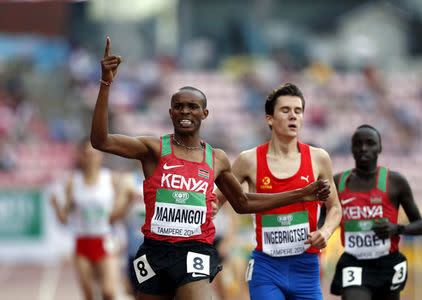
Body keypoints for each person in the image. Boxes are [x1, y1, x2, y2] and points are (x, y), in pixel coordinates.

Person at [90, 37, 331, 300]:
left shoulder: (216, 158)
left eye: (192, 106)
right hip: (154, 253)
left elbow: (242, 202)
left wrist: (299, 194)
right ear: (170, 112)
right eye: (179, 106)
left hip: (195, 251)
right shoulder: (154, 149)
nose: (185, 111)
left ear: (204, 114)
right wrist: (106, 83)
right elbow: (101, 140)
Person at [215, 83, 342, 300]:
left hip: (307, 268)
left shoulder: (318, 158)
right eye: (285, 110)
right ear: (269, 118)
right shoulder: (249, 160)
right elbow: (216, 202)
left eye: (298, 111)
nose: (293, 116)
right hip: (266, 267)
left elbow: (335, 208)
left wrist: (325, 232)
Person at [329, 124, 422, 300]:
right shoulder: (338, 182)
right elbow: (322, 217)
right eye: (358, 143)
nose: (363, 148)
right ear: (351, 148)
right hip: (354, 262)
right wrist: (322, 230)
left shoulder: (395, 182)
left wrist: (396, 229)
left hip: (387, 263)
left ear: (379, 147)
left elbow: (420, 226)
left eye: (370, 143)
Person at [50, 138, 121, 300]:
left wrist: (124, 204)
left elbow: (118, 214)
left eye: (94, 154)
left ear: (101, 156)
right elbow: (64, 219)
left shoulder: (111, 179)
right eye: (87, 154)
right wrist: (55, 206)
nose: (91, 158)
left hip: (107, 239)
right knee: (89, 295)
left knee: (108, 292)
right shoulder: (72, 182)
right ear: (80, 156)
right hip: (83, 242)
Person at [109, 168, 146, 300]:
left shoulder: (170, 177)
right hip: (138, 251)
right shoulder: (130, 181)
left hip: (166, 250)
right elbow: (112, 218)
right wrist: (128, 201)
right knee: (139, 293)